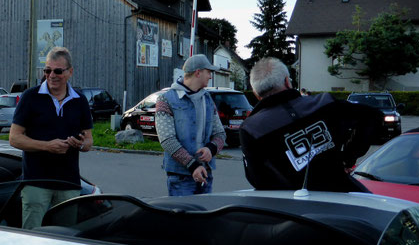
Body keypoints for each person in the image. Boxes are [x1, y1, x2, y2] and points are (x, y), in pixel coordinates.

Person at [240, 57, 382, 192]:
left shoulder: (251, 129)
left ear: (256, 93)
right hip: (339, 194)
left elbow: (257, 179)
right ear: (287, 82)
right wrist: (348, 158)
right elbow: (372, 115)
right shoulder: (323, 103)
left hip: (290, 203)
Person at [9, 47, 93, 229]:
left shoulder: (80, 100)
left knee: (65, 237)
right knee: (32, 236)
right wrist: (47, 146)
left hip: (68, 183)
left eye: (58, 71)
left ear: (70, 72)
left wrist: (80, 144)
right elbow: (14, 138)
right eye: (47, 70)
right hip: (36, 182)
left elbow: (89, 142)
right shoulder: (30, 97)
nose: (51, 75)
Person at [155, 54, 226, 196]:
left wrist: (211, 149)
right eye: (208, 72)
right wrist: (193, 165)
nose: (210, 76)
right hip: (180, 178)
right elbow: (167, 140)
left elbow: (220, 134)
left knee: (205, 211)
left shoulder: (207, 99)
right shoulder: (166, 99)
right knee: (184, 212)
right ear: (198, 73)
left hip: (205, 174)